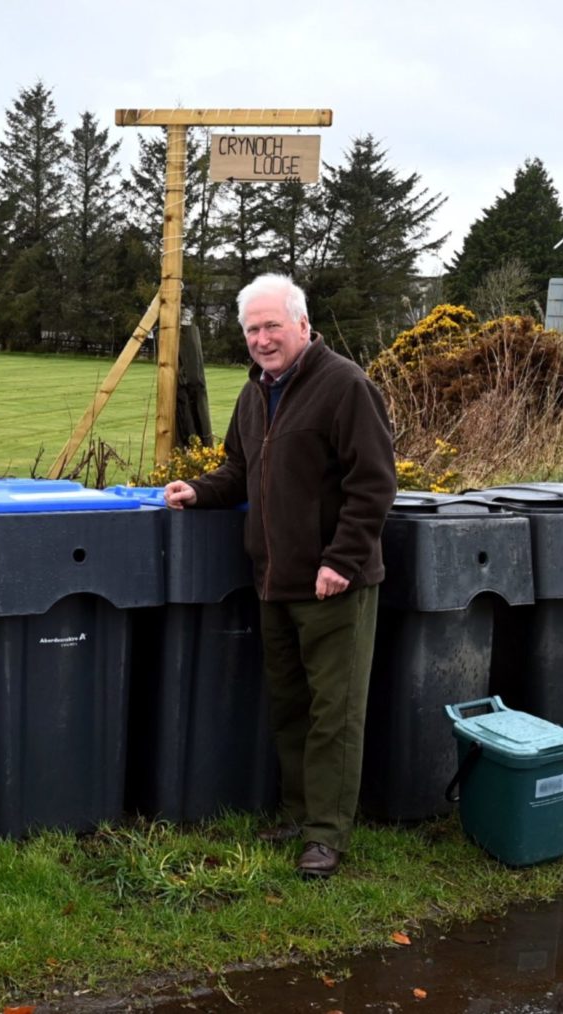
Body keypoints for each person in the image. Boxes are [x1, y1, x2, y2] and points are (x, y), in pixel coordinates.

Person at [163, 273, 395, 879]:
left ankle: (327, 835)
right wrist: (200, 490)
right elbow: (242, 470)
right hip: (273, 580)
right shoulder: (254, 394)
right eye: (252, 329)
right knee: (290, 706)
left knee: (334, 713)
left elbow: (373, 483)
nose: (263, 339)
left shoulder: (344, 385)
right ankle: (298, 813)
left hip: (331, 583)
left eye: (272, 326)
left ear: (302, 324)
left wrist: (341, 561)